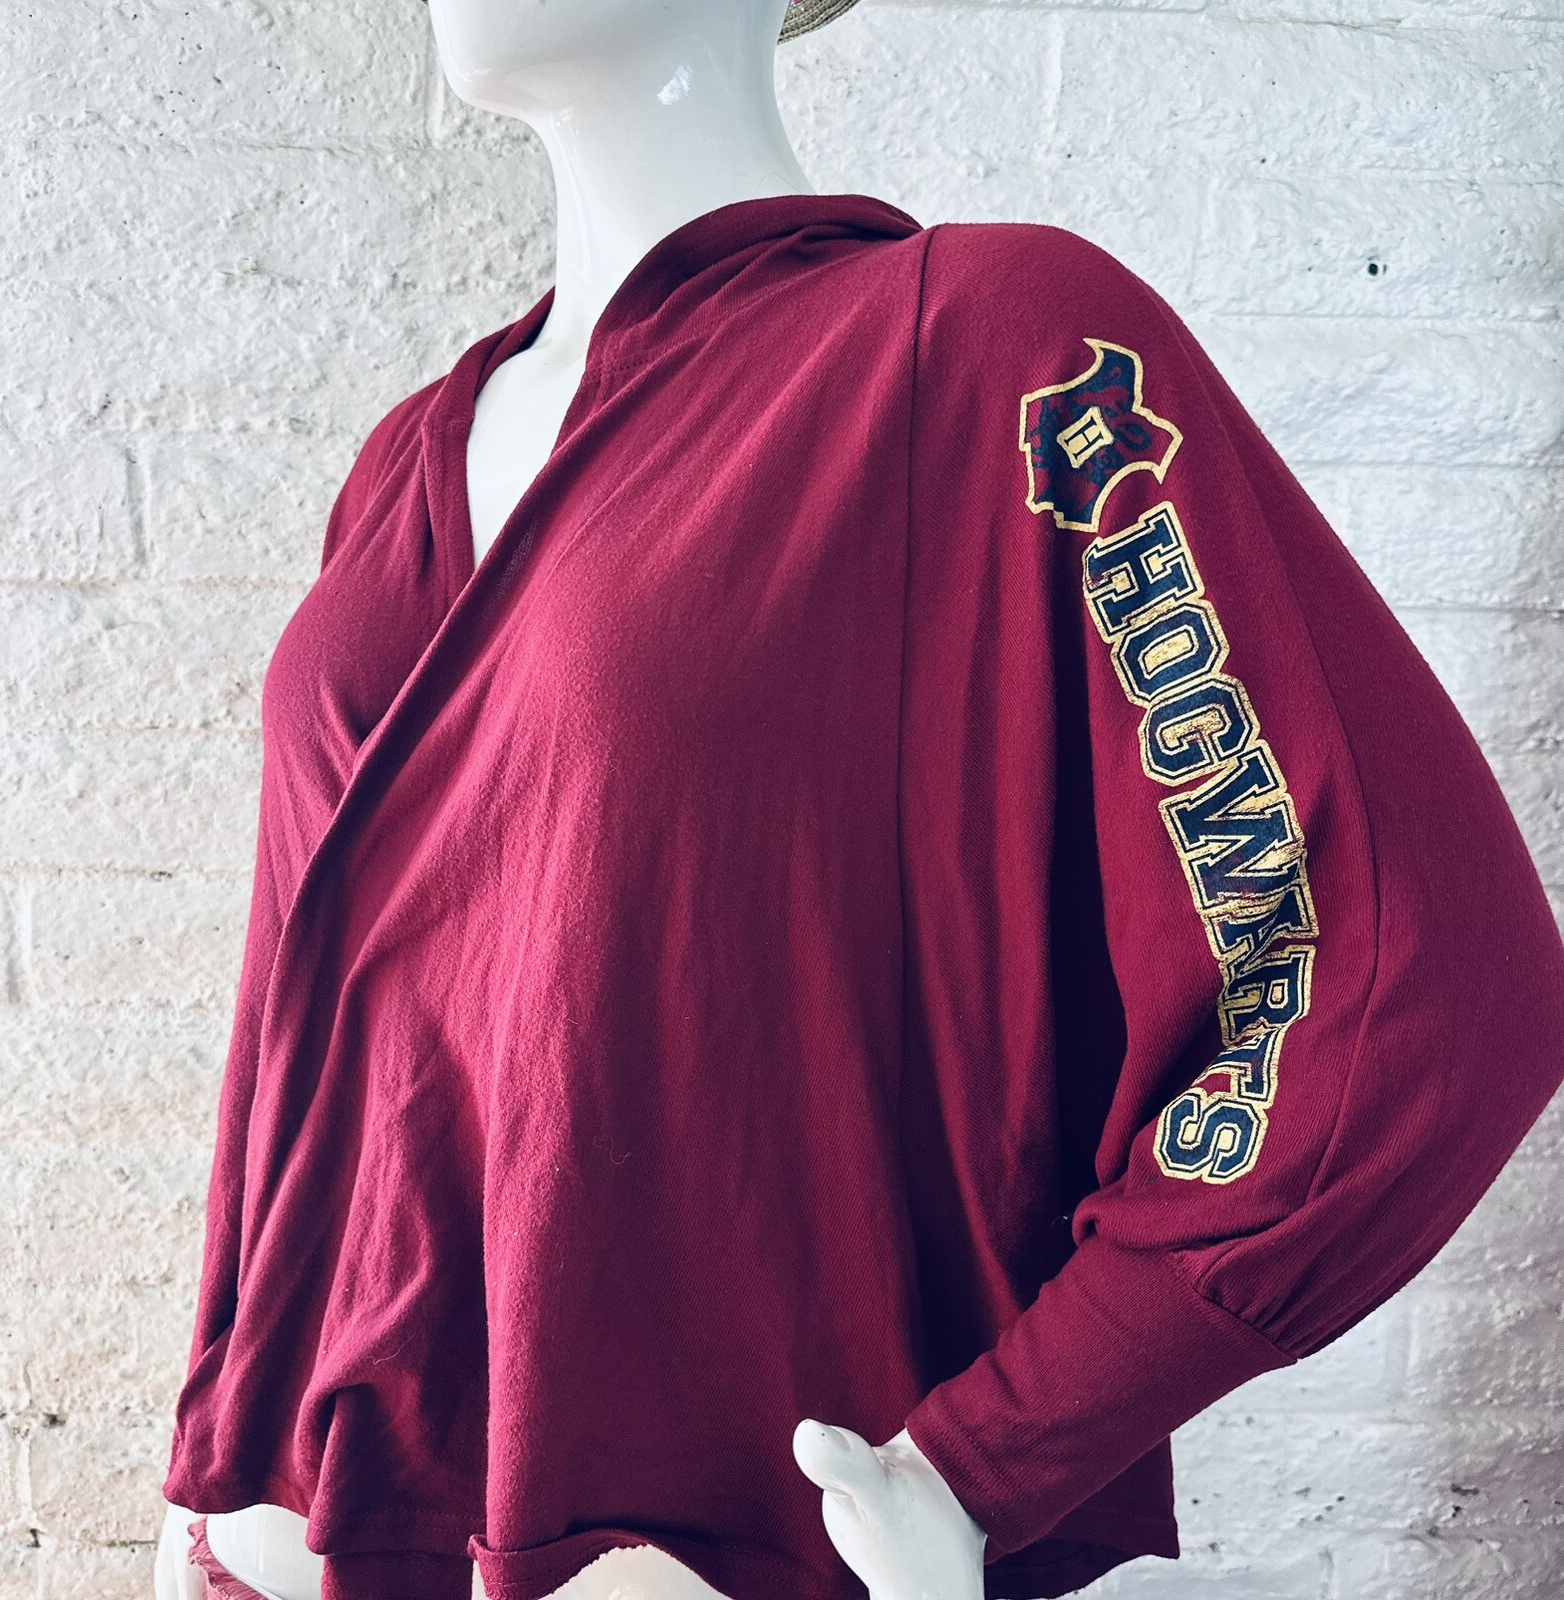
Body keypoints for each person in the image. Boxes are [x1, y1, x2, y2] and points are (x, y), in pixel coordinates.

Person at [153, 1, 1564, 1598]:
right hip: (282, 1534)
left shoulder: (990, 346)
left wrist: (980, 1464)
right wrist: (208, 1428)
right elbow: (307, 1019)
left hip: (693, 1554)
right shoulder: (409, 454)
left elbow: (1417, 985)